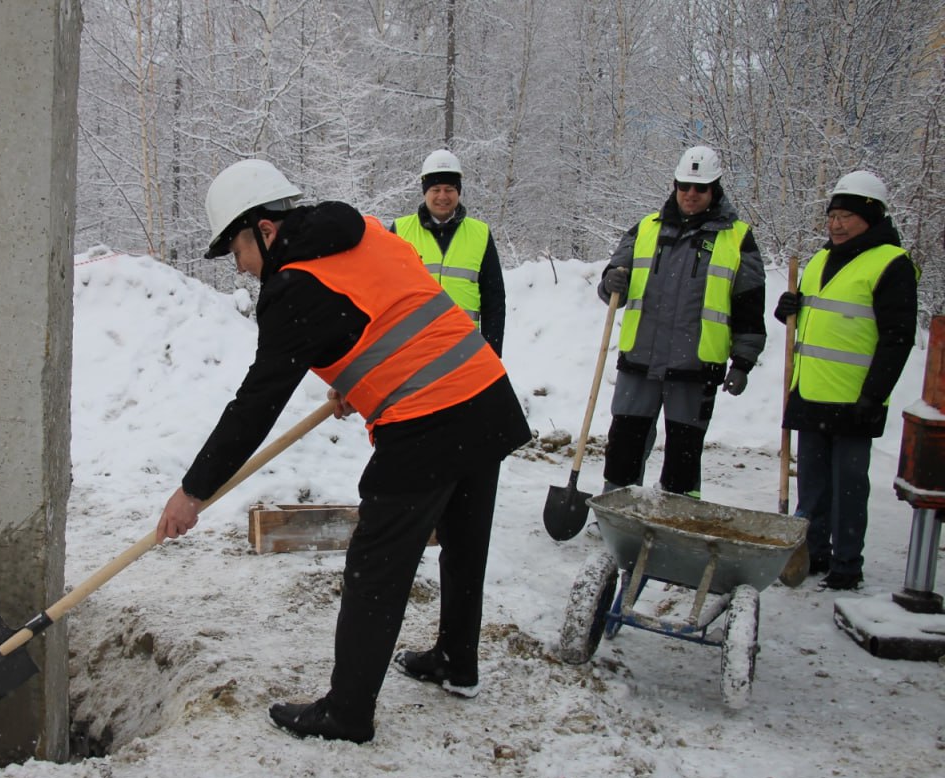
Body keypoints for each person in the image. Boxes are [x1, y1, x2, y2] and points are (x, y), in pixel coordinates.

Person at [156, 159, 531, 743]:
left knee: (374, 567)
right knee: (463, 543)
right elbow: (394, 308)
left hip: (428, 423)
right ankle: (458, 662)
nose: (240, 265)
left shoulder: (292, 287)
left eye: (236, 247)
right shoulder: (364, 229)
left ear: (266, 230)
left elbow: (256, 404)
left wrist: (192, 492)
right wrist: (359, 378)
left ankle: (347, 712)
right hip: (484, 397)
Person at [774, 170, 919, 590]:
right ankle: (813, 551)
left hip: (856, 398)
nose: (836, 224)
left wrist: (875, 394)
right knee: (813, 485)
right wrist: (788, 307)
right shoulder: (819, 259)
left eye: (846, 217)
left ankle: (846, 564)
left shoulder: (891, 265)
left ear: (870, 218)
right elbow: (811, 317)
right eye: (832, 216)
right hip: (812, 390)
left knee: (850, 486)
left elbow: (897, 338)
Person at [596, 145, 766, 497]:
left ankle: (679, 520)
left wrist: (743, 362)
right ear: (674, 185)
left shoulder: (737, 239)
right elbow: (615, 283)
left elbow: (749, 307)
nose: (691, 194)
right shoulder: (646, 229)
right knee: (625, 443)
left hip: (696, 365)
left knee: (684, 454)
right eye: (684, 186)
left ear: (714, 190)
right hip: (639, 359)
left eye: (700, 188)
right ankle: (615, 512)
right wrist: (610, 280)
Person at [391, 149, 506, 355]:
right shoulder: (400, 231)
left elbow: (493, 301)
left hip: (464, 351)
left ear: (458, 191)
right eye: (435, 189)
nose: (442, 196)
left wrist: (492, 354)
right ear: (425, 191)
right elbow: (384, 297)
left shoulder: (480, 233)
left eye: (449, 188)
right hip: (412, 351)